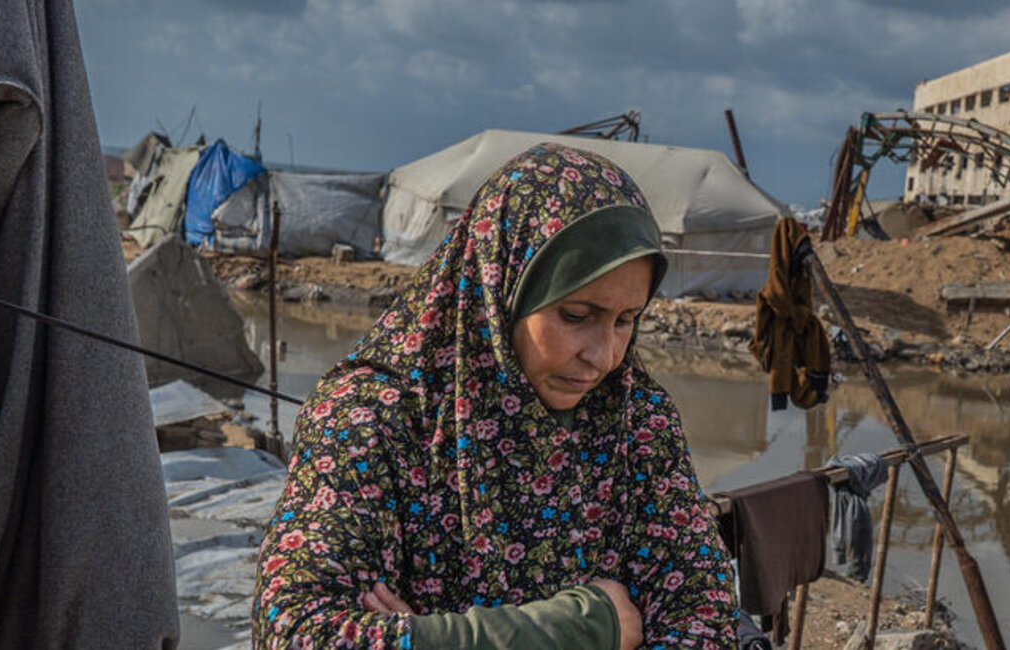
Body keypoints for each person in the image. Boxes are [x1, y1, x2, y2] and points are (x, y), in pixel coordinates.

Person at [252, 143, 737, 649]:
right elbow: (298, 633)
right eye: (575, 316)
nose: (605, 355)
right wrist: (584, 626)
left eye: (626, 321)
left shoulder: (637, 420)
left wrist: (419, 636)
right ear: (499, 287)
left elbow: (704, 619)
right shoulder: (373, 420)